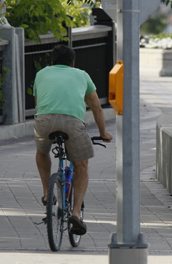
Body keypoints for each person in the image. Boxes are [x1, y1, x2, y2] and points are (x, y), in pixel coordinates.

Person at [34, 44, 113, 236]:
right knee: (81, 165)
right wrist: (103, 132)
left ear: (52, 61)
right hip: (72, 123)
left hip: (43, 122)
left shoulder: (42, 74)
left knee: (42, 152)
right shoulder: (82, 75)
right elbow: (96, 107)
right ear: (73, 61)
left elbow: (39, 102)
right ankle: (76, 213)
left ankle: (46, 192)